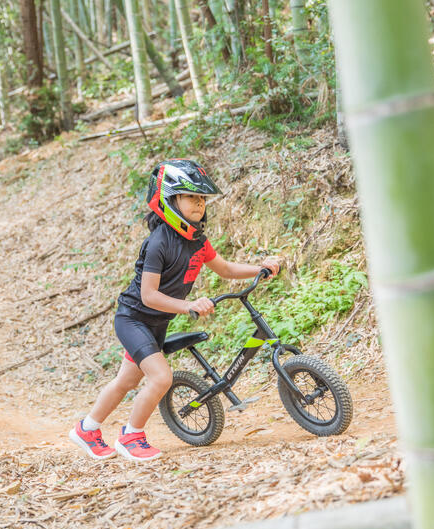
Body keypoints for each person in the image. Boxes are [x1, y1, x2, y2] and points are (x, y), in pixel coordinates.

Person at [69, 159, 280, 461]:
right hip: (134, 319)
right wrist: (188, 305)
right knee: (161, 378)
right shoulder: (158, 243)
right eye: (190, 197)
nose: (198, 204)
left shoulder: (197, 241)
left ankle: (87, 429)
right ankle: (131, 436)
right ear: (170, 200)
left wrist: (259, 268)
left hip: (156, 324)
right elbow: (149, 295)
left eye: (202, 198)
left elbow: (226, 268)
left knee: (127, 381)